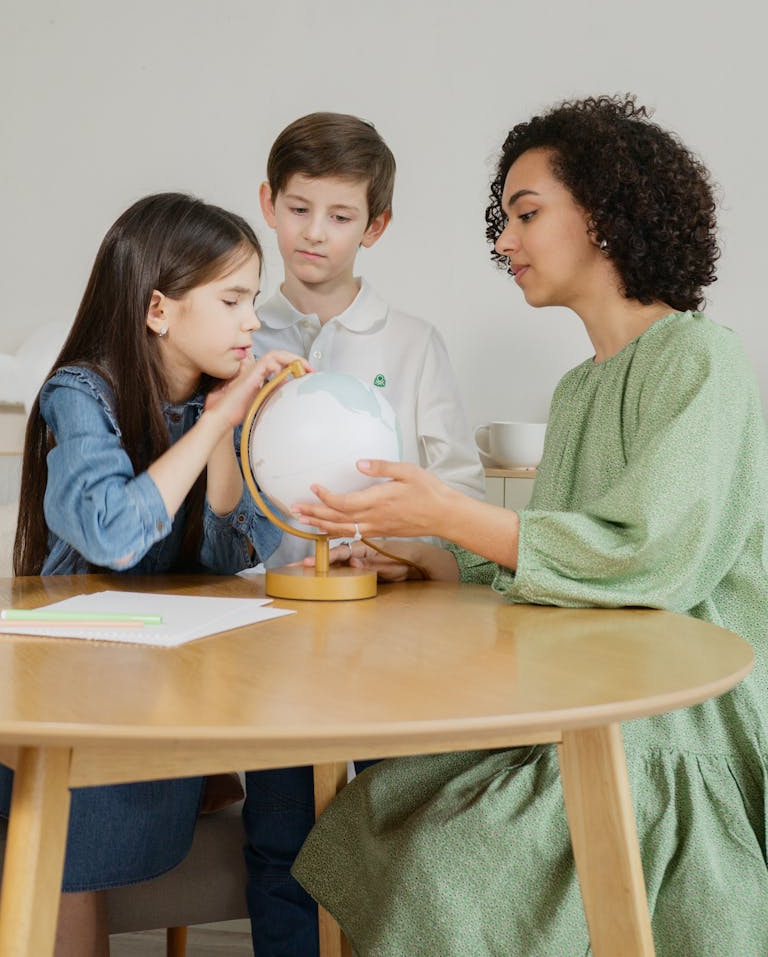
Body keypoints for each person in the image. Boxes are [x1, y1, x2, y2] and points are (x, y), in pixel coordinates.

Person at [291, 96, 768, 957]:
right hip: (583, 694)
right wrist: (429, 555)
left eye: (527, 213)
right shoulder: (580, 389)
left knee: (448, 863)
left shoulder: (703, 360)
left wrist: (450, 512)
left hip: (671, 716)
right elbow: (555, 553)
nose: (504, 241)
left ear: (607, 215)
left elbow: (653, 558)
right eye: (503, 219)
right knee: (378, 803)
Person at [3, 192, 306, 957]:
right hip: (68, 689)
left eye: (253, 301)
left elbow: (232, 554)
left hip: (155, 679)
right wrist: (213, 424)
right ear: (159, 310)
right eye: (233, 299)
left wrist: (236, 435)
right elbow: (112, 533)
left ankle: (205, 777)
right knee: (71, 846)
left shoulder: (212, 401)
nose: (251, 321)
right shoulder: (82, 393)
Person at [243, 111, 486, 956]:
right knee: (281, 834)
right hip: (270, 636)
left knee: (393, 824)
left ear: (375, 225)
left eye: (341, 216)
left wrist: (399, 550)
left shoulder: (414, 344)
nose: (316, 233)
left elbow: (454, 491)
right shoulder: (235, 335)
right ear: (268, 203)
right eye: (300, 207)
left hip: (391, 639)